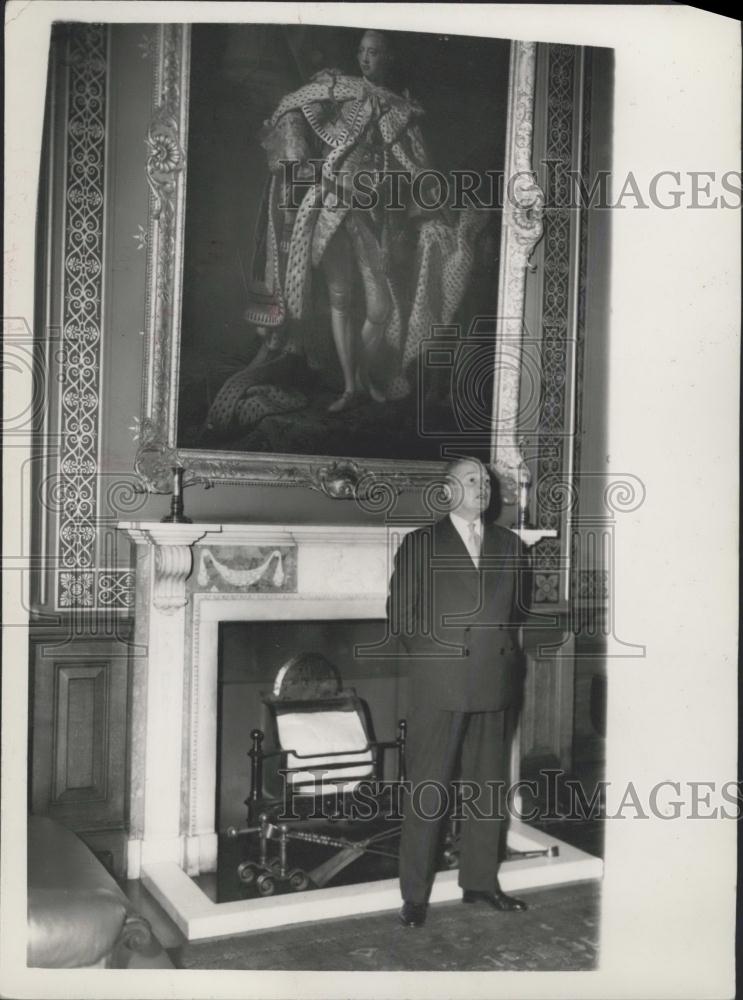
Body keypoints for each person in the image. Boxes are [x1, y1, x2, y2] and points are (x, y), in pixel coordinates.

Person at [242, 29, 487, 415]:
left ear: (388, 58)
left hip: (378, 213)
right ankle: (351, 386)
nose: (366, 59)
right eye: (362, 51)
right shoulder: (339, 88)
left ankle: (367, 375)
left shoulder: (402, 110)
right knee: (341, 299)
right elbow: (291, 106)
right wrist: (302, 145)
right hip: (334, 205)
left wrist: (433, 201)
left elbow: (418, 167)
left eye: (374, 53)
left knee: (380, 309)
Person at [386, 457, 528, 927]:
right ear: (447, 490)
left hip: (495, 680)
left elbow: (517, 613)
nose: (482, 487)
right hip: (440, 686)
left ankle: (481, 883)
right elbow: (401, 618)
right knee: (428, 790)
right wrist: (439, 658)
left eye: (486, 481)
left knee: (488, 788)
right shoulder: (420, 543)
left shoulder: (510, 545)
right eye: (471, 480)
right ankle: (415, 896)